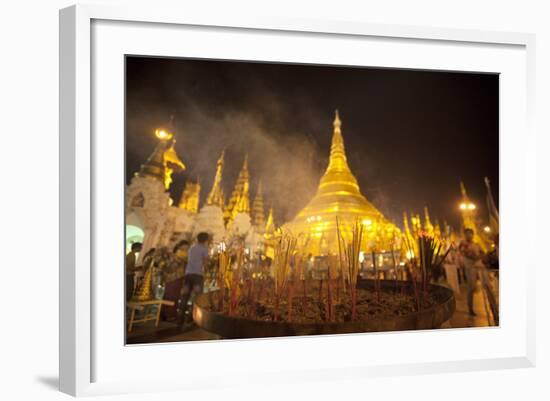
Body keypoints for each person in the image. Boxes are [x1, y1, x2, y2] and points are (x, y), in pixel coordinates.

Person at [177, 232, 210, 326]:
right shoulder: (204, 248)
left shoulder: (192, 248)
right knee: (197, 298)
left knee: (184, 297)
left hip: (188, 274)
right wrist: (206, 272)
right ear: (206, 240)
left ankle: (180, 319)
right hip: (197, 275)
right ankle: (192, 319)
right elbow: (205, 262)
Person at [458, 228, 484, 316]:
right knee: (471, 288)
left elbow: (482, 252)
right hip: (470, 268)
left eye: (470, 233)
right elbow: (465, 253)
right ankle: (470, 308)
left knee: (484, 287)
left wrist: (480, 256)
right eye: (467, 234)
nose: (468, 235)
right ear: (464, 235)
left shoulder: (476, 244)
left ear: (473, 235)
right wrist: (474, 257)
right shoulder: (463, 244)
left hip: (479, 267)